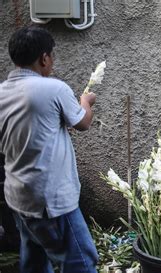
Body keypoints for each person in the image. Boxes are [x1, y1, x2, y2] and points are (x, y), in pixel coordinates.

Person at [0, 26, 98, 272]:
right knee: (81, 262)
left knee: (34, 261)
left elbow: (26, 129)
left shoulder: (2, 92)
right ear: (44, 58)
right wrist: (85, 102)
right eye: (52, 56)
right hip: (51, 202)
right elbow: (83, 122)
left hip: (18, 196)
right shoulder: (54, 88)